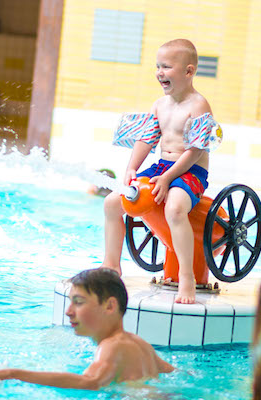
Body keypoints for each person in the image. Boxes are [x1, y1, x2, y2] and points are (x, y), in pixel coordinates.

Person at [103, 39, 220, 304]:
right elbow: (147, 139)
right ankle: (111, 266)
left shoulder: (199, 105)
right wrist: (132, 168)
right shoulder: (159, 105)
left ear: (188, 72)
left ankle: (187, 277)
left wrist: (168, 179)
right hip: (162, 167)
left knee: (174, 208)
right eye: (157, 66)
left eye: (166, 67)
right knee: (113, 202)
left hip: (190, 171)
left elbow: (196, 151)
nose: (159, 73)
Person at [0, 268, 174, 389]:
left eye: (78, 302)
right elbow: (174, 372)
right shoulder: (139, 344)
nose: (68, 311)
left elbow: (91, 382)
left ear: (110, 306)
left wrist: (12, 373)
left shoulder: (111, 347)